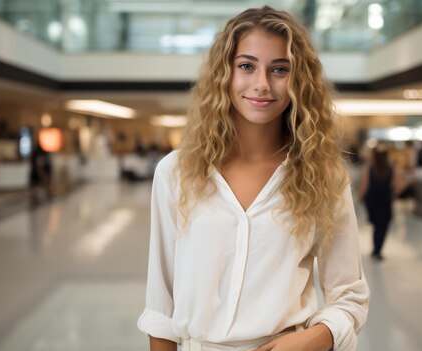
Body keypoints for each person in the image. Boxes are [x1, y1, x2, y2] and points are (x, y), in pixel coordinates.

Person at [137, 6, 369, 351]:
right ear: (224, 74)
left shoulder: (324, 177)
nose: (262, 85)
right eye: (246, 66)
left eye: (279, 69)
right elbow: (161, 305)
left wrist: (314, 339)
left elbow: (349, 295)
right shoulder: (176, 172)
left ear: (298, 80)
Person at [359, 146, 400, 260]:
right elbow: (397, 186)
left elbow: (364, 185)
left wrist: (360, 198)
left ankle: (375, 249)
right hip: (385, 200)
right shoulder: (391, 169)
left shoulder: (370, 168)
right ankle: (378, 249)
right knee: (383, 226)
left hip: (372, 200)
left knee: (376, 226)